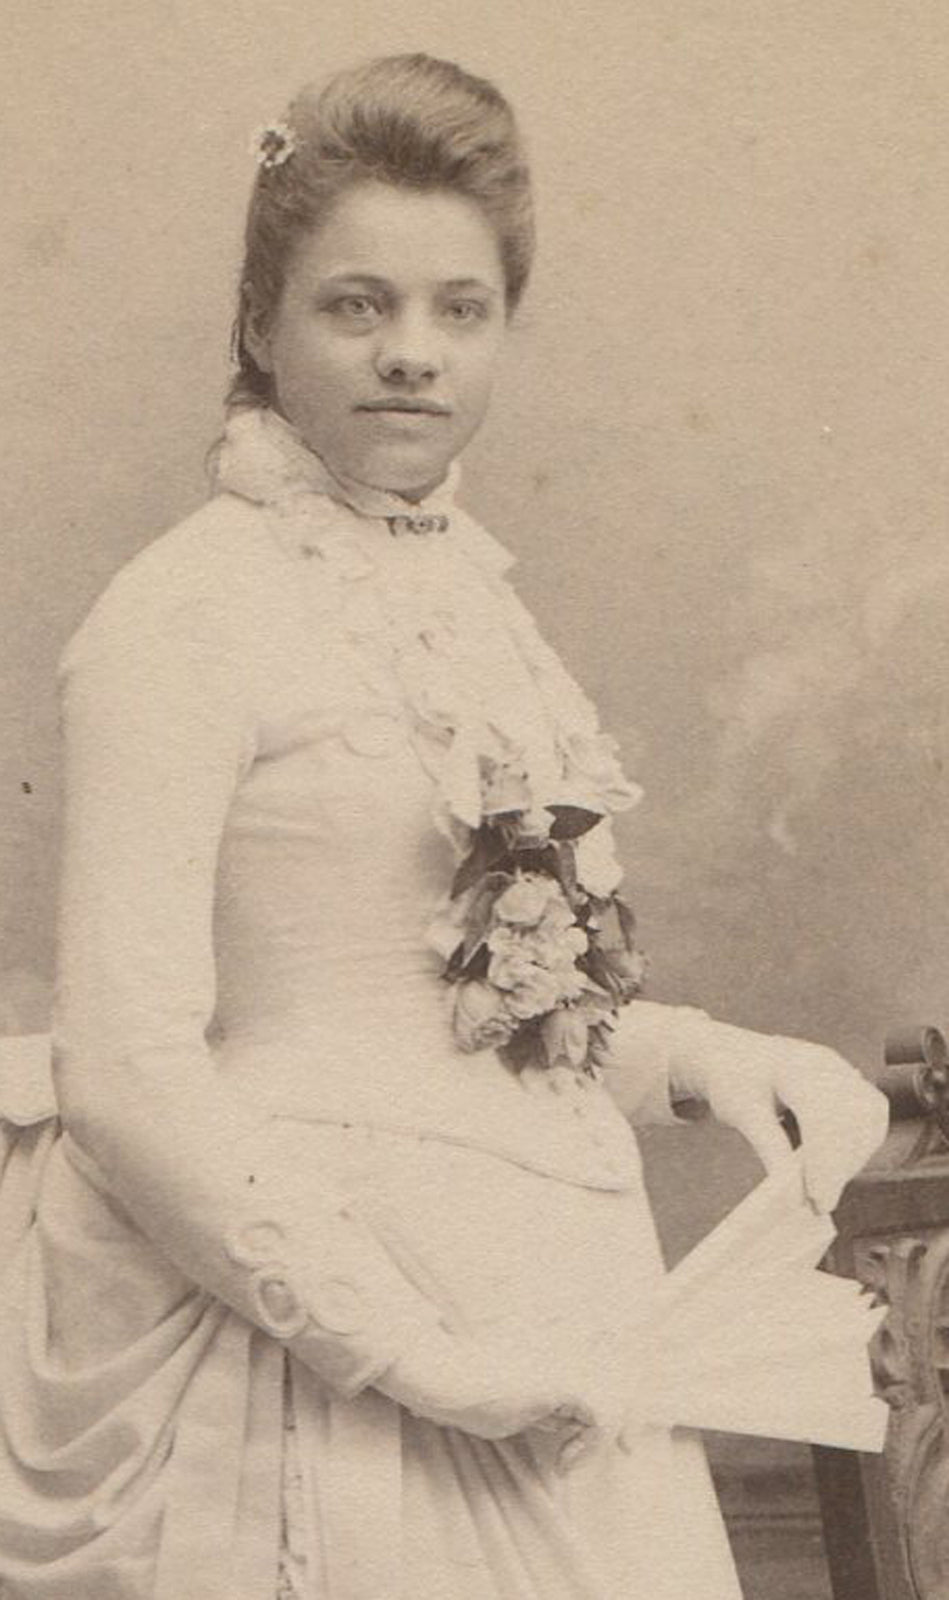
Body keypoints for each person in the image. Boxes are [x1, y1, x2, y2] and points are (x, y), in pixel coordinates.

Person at [0, 52, 888, 1600]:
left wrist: (699, 1062)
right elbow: (126, 1068)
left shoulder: (477, 608)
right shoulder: (181, 615)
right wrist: (409, 1351)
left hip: (557, 1310)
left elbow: (472, 1012)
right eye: (357, 305)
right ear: (261, 324)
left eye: (458, 310)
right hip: (318, 1351)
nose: (411, 353)